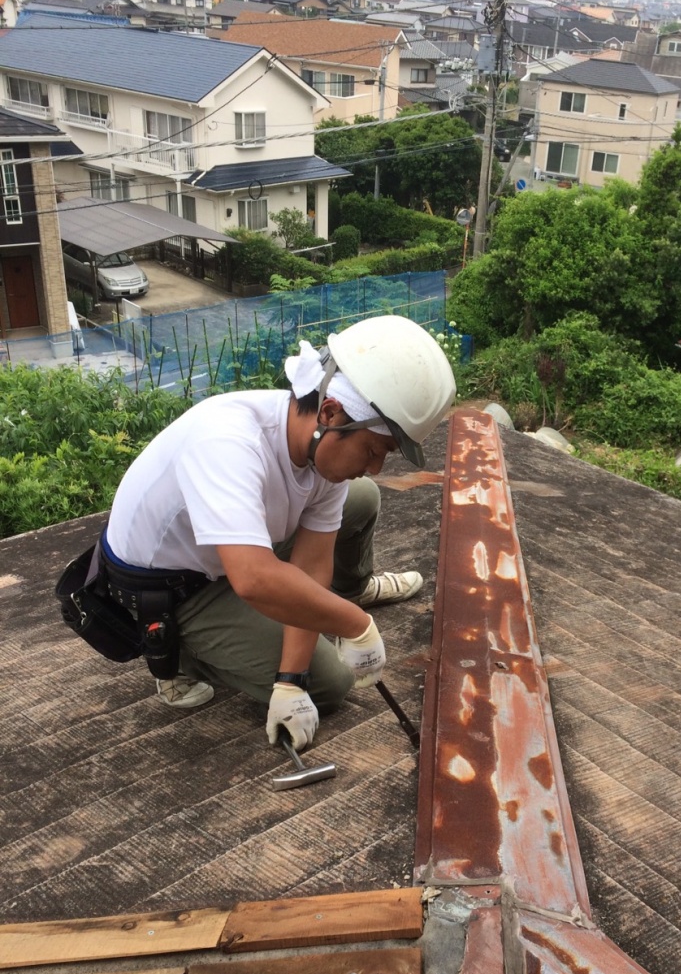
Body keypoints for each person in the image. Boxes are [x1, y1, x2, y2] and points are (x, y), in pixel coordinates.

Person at [101, 314, 456, 751]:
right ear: (331, 413)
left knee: (360, 496)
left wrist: (289, 681)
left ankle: (346, 595)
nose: (377, 466)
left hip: (231, 553)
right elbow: (252, 578)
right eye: (373, 449)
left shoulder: (315, 443)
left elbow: (310, 564)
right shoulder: (228, 442)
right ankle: (177, 654)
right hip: (172, 587)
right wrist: (355, 625)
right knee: (329, 685)